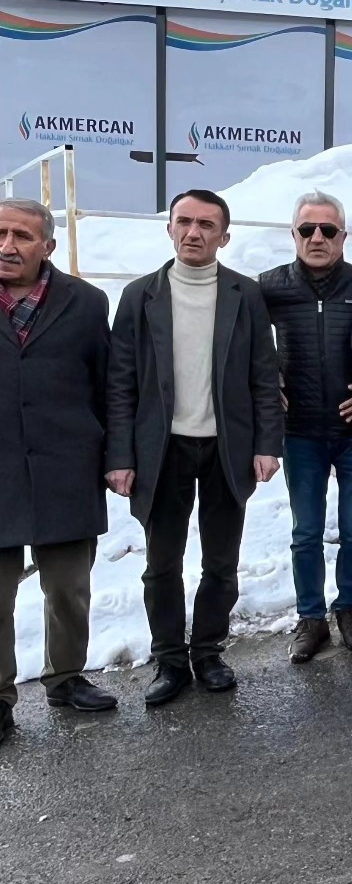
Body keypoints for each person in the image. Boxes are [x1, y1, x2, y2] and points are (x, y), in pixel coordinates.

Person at [107, 190, 284, 706]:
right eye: (184, 221)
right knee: (162, 563)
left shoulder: (244, 294)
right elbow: (120, 382)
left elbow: (262, 374)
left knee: (221, 561)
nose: (194, 232)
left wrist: (267, 442)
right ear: (169, 228)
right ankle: (169, 659)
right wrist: (120, 454)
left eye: (207, 225)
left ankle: (207, 651)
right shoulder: (140, 296)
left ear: (224, 237)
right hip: (162, 451)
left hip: (227, 448)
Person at [0, 198, 116, 739]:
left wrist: (114, 456)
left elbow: (110, 386)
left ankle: (66, 677)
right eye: (0, 234)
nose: (7, 246)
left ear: (47, 246)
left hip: (67, 466)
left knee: (68, 588)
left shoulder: (88, 303)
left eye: (21, 236)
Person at [259, 192, 352, 663]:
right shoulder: (269, 287)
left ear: (343, 237)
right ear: (293, 235)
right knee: (306, 531)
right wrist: (267, 378)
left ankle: (349, 608)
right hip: (302, 431)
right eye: (307, 229)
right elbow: (244, 337)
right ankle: (310, 618)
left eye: (327, 230)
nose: (317, 238)